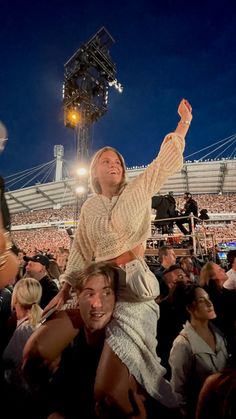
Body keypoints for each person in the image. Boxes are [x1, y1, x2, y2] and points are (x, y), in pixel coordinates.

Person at [44, 98, 193, 411]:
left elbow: (161, 165)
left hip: (131, 291)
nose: (114, 165)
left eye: (119, 162)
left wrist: (182, 125)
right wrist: (67, 290)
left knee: (111, 394)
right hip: (96, 287)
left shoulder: (136, 190)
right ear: (95, 170)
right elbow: (81, 250)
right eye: (106, 161)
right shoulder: (90, 206)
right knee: (37, 352)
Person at [169, 284, 229, 419]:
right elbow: (178, 392)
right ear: (189, 308)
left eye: (208, 298)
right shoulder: (183, 344)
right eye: (202, 301)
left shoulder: (219, 334)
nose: (209, 304)